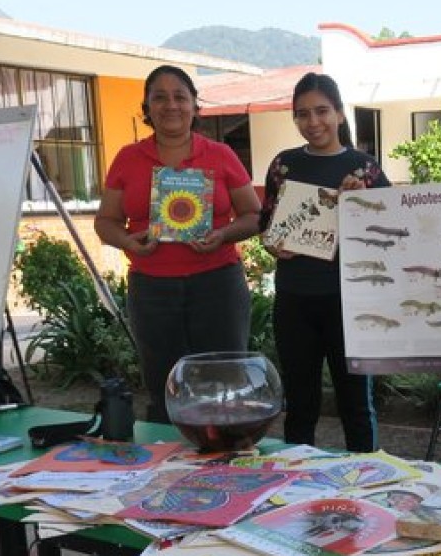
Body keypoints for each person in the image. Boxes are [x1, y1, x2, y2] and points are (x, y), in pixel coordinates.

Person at [94, 65, 261, 423]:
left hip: (217, 284)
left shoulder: (221, 155)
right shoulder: (127, 158)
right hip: (152, 289)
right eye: (160, 97)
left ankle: (227, 467)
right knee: (164, 388)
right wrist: (128, 241)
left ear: (194, 105)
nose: (171, 105)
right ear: (147, 107)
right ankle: (168, 469)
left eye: (180, 97)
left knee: (225, 386)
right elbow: (105, 222)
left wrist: (222, 235)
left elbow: (253, 215)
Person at [259, 72, 391, 452]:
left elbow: (394, 231)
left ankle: (368, 478)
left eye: (321, 111)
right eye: (302, 114)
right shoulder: (283, 165)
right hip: (294, 300)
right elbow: (267, 225)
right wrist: (274, 246)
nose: (313, 122)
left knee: (356, 406)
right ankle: (298, 484)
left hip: (349, 303)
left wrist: (363, 202)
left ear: (339, 114)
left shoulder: (364, 170)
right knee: (300, 405)